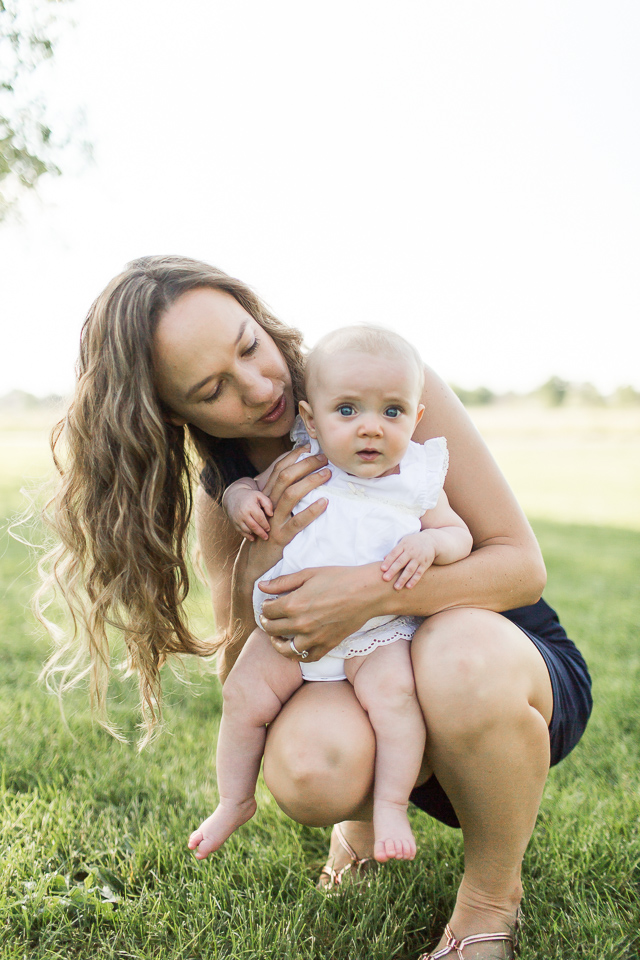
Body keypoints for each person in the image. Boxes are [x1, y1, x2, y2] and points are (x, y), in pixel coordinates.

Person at [39, 256, 592, 959]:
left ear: (259, 315)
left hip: (501, 677)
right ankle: (358, 822)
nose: (260, 386)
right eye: (214, 388)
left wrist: (371, 592)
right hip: (380, 691)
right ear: (173, 412)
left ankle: (489, 904)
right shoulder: (233, 492)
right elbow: (244, 667)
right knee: (308, 764)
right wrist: (260, 567)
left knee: (455, 654)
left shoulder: (384, 387)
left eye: (249, 346)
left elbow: (522, 567)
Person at [187, 326, 473, 864]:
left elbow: (460, 535)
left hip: (377, 635)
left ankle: (390, 805)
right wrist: (239, 499)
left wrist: (431, 542)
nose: (370, 427)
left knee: (396, 702)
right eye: (348, 411)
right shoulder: (302, 461)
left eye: (391, 412)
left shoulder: (414, 476)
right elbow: (242, 490)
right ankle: (234, 800)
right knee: (243, 696)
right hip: (291, 633)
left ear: (415, 419)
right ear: (311, 420)